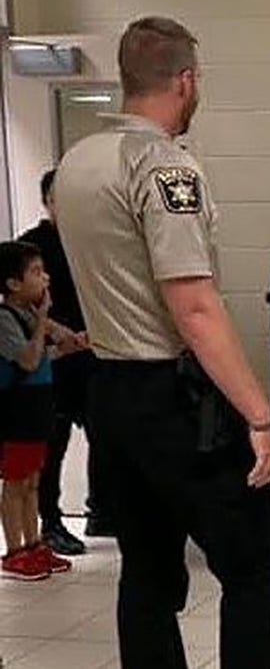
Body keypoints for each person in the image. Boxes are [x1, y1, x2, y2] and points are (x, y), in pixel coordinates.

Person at [54, 17, 270, 668]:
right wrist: (259, 414)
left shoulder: (77, 163)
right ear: (186, 81)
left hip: (112, 393)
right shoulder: (163, 167)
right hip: (174, 398)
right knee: (256, 564)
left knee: (148, 571)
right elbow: (193, 306)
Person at [18, 169, 115, 553]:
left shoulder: (93, 242)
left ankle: (102, 510)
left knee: (105, 434)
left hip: (94, 352)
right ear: (49, 202)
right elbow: (22, 305)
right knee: (53, 442)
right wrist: (59, 332)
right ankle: (51, 519)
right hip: (53, 357)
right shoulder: (31, 248)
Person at [0, 241, 82, 580]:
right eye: (36, 272)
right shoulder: (5, 318)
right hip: (15, 415)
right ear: (13, 283)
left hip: (37, 410)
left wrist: (70, 340)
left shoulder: (30, 316)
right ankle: (15, 551)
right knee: (15, 482)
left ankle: (34, 543)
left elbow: (49, 352)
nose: (45, 278)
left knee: (33, 481)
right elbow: (30, 358)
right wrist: (44, 321)